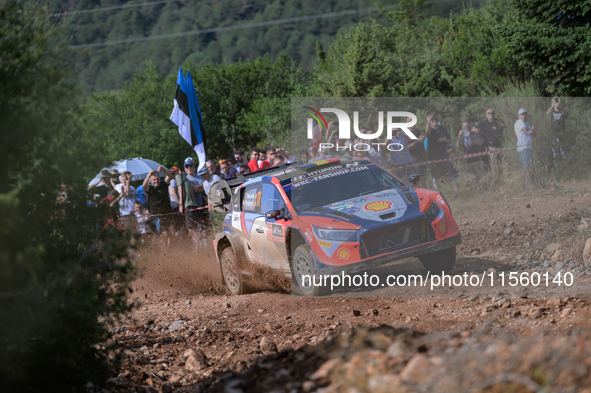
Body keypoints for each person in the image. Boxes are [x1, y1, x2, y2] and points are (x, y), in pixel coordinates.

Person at [176, 158, 205, 248]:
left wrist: (200, 187)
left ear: (194, 166)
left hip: (204, 205)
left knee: (204, 227)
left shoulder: (201, 175)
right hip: (193, 205)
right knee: (193, 228)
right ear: (184, 168)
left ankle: (203, 245)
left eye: (190, 165)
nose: (189, 168)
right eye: (187, 166)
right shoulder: (185, 178)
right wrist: (201, 186)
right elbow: (195, 189)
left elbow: (206, 186)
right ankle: (200, 246)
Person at [142, 166, 174, 244]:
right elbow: (144, 185)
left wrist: (163, 169)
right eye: (154, 180)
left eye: (157, 179)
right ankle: (164, 253)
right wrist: (149, 175)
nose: (156, 181)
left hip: (167, 214)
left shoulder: (164, 184)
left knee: (173, 233)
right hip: (157, 216)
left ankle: (173, 251)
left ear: (160, 179)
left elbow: (170, 176)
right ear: (151, 181)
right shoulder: (150, 189)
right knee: (164, 236)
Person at [425, 113, 452, 188]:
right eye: (432, 120)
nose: (434, 121)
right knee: (437, 177)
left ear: (438, 120)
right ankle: (440, 191)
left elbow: (450, 141)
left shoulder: (443, 129)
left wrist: (445, 140)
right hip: (434, 157)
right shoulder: (430, 130)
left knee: (446, 175)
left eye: (436, 119)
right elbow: (427, 132)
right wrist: (428, 122)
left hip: (443, 155)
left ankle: (448, 190)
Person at [405, 116, 427, 187]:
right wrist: (417, 141)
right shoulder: (406, 133)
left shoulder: (418, 131)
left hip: (422, 159)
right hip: (414, 161)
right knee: (417, 183)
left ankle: (425, 196)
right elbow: (407, 148)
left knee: (424, 181)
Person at [546, 97, 566, 163]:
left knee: (562, 147)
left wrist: (560, 106)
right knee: (554, 148)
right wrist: (552, 106)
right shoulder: (551, 111)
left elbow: (565, 114)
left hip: (561, 132)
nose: (556, 103)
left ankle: (564, 162)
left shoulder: (561, 111)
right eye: (554, 102)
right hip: (554, 132)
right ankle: (556, 163)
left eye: (557, 102)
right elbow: (546, 114)